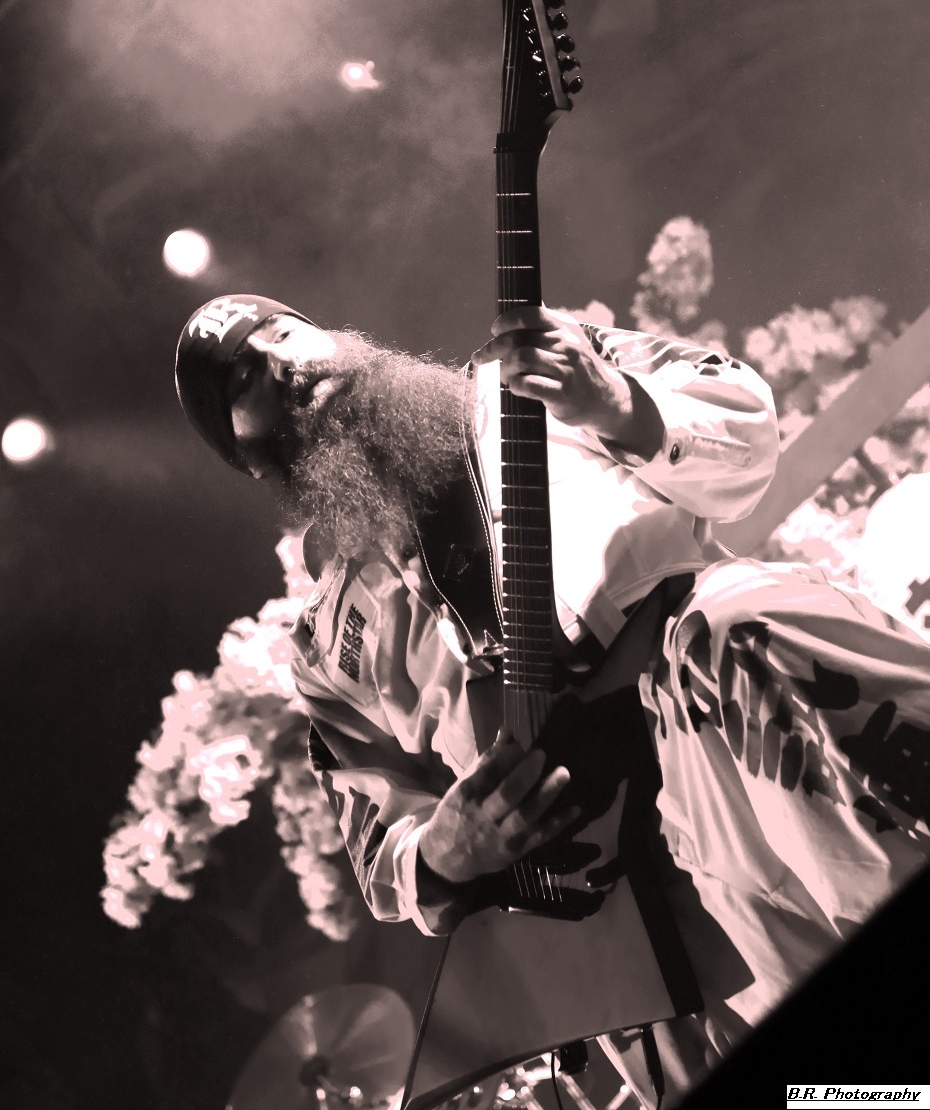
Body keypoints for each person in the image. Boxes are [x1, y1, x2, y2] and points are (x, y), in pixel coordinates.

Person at [176, 293, 930, 1107]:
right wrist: (445, 851)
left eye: (283, 331)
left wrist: (611, 401)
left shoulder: (534, 374)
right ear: (247, 455)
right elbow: (378, 844)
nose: (283, 362)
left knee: (731, 629)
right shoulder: (328, 648)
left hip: (719, 715)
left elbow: (744, 425)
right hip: (601, 892)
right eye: (244, 377)